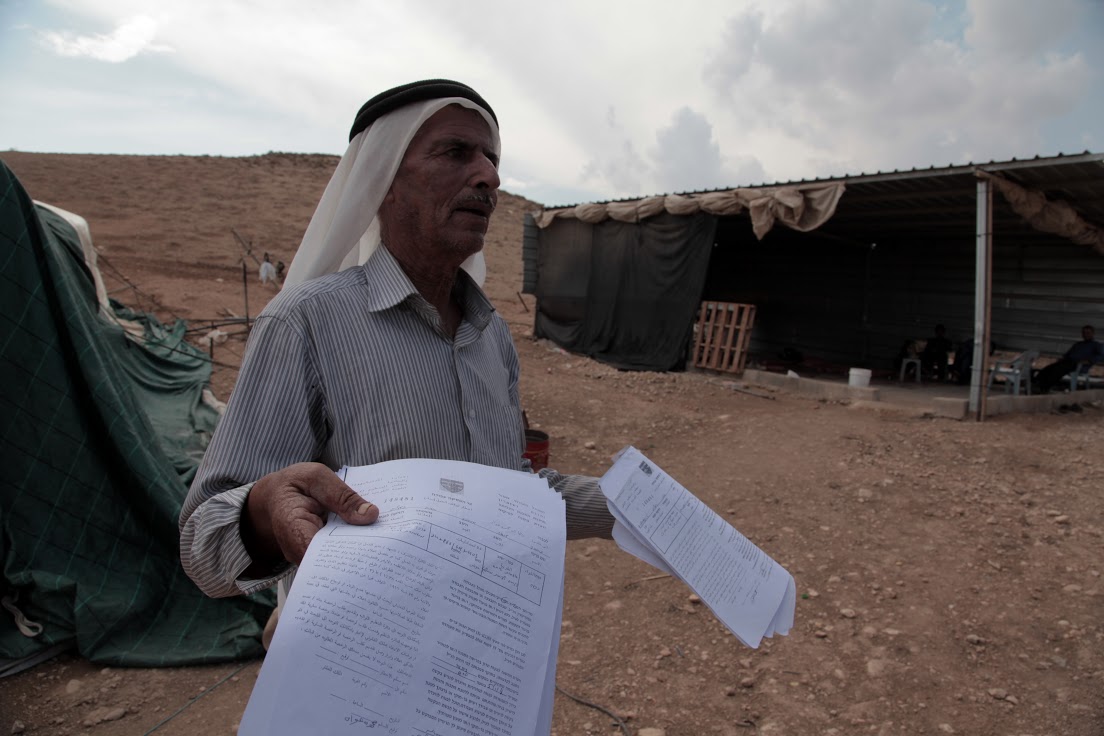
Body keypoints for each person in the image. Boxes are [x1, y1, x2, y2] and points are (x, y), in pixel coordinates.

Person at [178, 80, 614, 606]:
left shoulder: (491, 334)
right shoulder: (306, 322)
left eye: (491, 158)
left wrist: (629, 506)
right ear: (383, 180)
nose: (490, 177)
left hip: (488, 650)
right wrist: (266, 511)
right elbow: (204, 545)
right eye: (456, 153)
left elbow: (510, 492)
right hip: (362, 665)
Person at [1034, 325, 1104, 393]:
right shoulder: (1078, 344)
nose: (1085, 334)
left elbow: (1101, 355)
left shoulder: (1096, 345)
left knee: (1058, 370)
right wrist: (1062, 359)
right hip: (1068, 362)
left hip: (1079, 365)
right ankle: (1036, 383)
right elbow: (1068, 354)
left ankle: (1045, 387)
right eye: (1084, 333)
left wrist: (1089, 361)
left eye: (1088, 333)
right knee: (1049, 368)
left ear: (1093, 333)